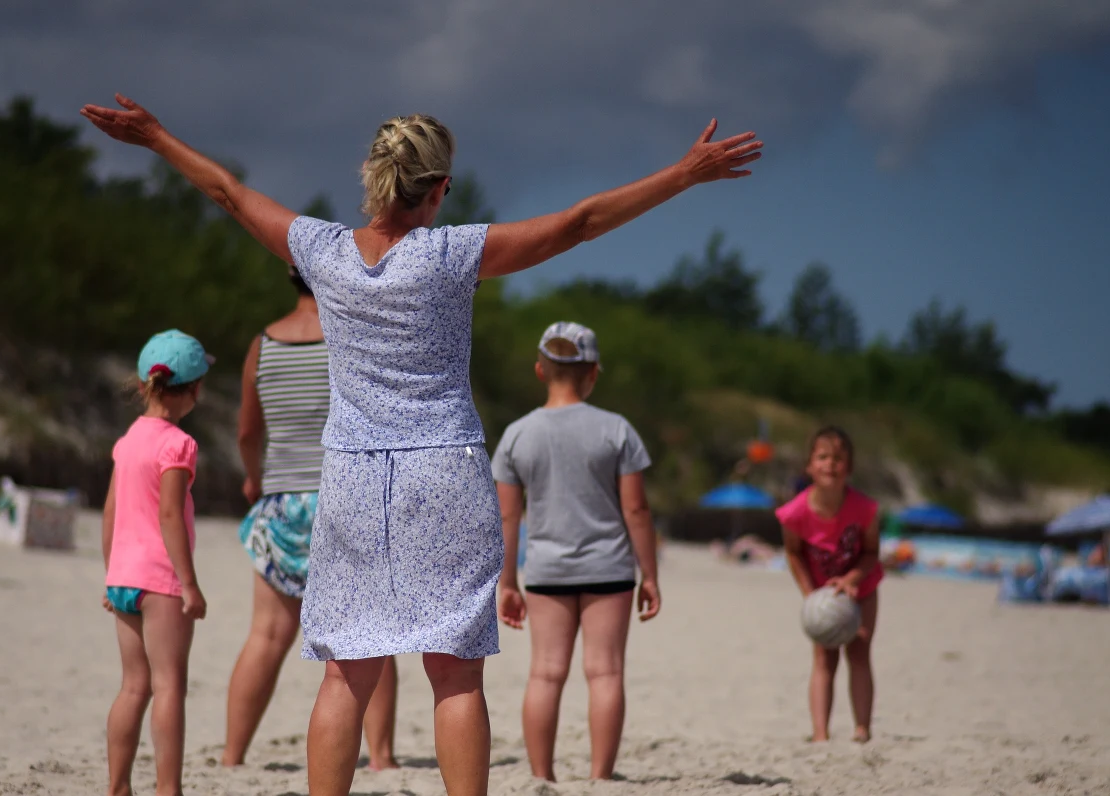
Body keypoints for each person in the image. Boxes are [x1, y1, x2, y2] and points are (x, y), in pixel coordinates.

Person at [81, 93, 761, 796]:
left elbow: (227, 193)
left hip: (349, 477)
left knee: (346, 670)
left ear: (374, 178)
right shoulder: (450, 254)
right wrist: (682, 174)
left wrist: (156, 136)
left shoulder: (323, 252)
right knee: (456, 671)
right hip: (442, 470)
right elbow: (578, 224)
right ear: (438, 188)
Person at [222, 266, 399, 769]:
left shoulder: (262, 344)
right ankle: (382, 758)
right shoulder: (349, 335)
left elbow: (247, 432)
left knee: (267, 636)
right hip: (344, 496)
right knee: (371, 634)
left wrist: (256, 479)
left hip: (282, 501)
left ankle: (232, 756)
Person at [492, 322, 660, 782]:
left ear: (540, 370)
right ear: (593, 373)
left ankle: (542, 776)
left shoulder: (517, 435)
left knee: (545, 674)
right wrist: (650, 575)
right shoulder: (616, 430)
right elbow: (638, 509)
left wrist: (508, 582)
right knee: (604, 673)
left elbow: (508, 518)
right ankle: (600, 776)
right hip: (609, 567)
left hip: (547, 570)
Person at [101, 329, 212, 796]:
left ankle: (118, 786)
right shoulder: (177, 445)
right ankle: (169, 788)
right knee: (169, 687)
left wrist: (111, 574)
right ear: (190, 390)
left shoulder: (128, 442)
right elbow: (170, 514)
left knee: (133, 686)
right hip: (160, 581)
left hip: (123, 577)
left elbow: (110, 512)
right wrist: (189, 583)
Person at [776, 426, 881, 744]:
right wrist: (811, 596)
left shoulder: (865, 510)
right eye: (822, 457)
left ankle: (862, 729)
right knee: (824, 657)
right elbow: (794, 553)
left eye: (838, 458)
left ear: (848, 467)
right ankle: (820, 732)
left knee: (860, 651)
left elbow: (871, 553)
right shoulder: (794, 513)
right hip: (822, 593)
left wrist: (851, 580)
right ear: (809, 465)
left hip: (860, 588)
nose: (830, 464)